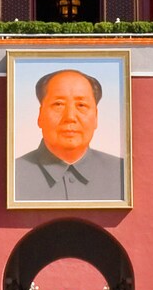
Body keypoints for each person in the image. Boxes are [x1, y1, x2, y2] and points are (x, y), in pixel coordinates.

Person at [13, 68, 125, 202]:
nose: (70, 117)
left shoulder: (122, 173)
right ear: (40, 115)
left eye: (81, 105)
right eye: (58, 104)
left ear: (96, 117)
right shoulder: (13, 174)